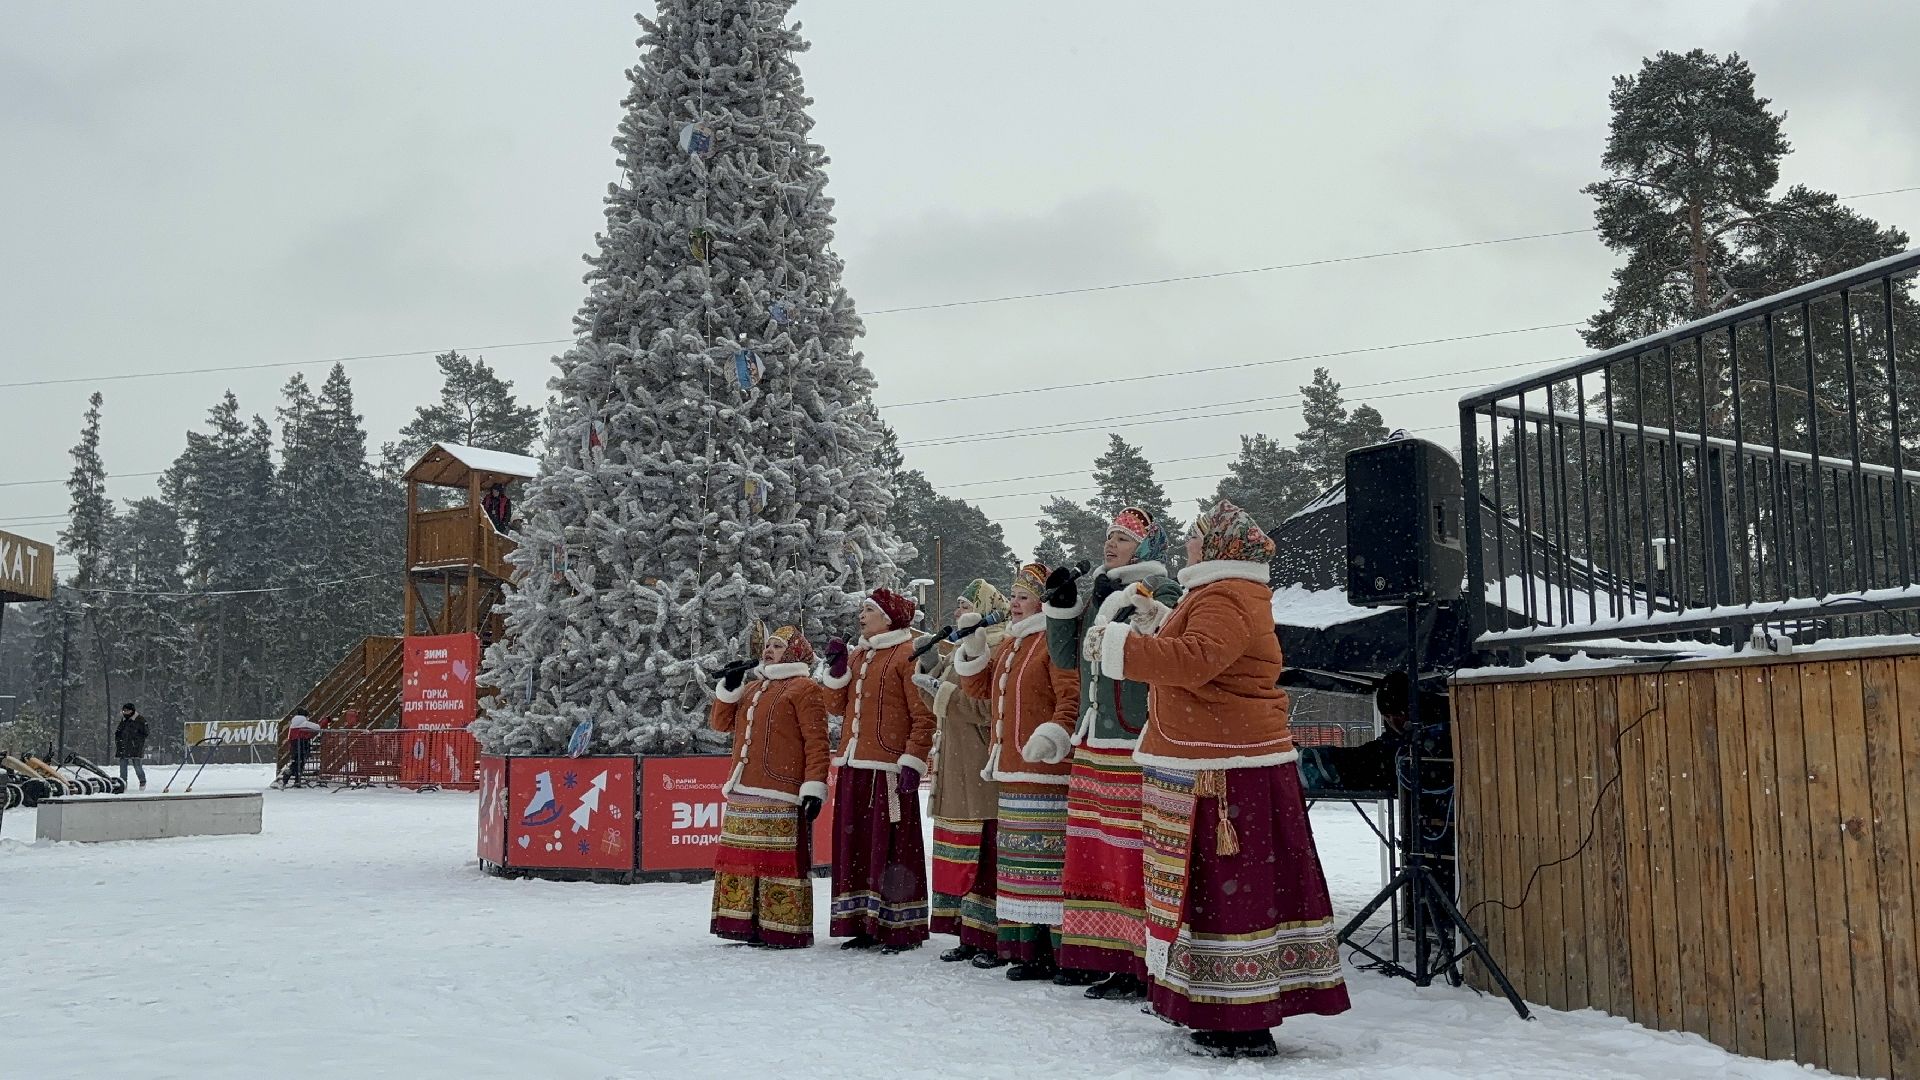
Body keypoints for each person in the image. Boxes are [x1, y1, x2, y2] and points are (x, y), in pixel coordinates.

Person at [1089, 500, 1350, 1059]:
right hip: (1217, 760)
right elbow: (1207, 655)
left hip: (1226, 768)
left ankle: (1245, 1016)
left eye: (1194, 537)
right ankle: (1219, 1008)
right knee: (1212, 894)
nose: (1186, 545)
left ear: (1218, 546)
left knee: (1234, 895)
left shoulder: (1226, 595)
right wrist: (1157, 624)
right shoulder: (1219, 593)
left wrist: (1121, 647)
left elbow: (1197, 660)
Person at [1041, 506, 1182, 999]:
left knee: (1131, 854)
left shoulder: (1161, 591)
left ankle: (1143, 961)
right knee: (1097, 852)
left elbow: (1159, 641)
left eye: (1121, 538)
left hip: (1131, 736)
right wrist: (1061, 608)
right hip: (1093, 737)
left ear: (1144, 548)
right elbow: (1066, 658)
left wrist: (1119, 608)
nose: (1110, 545)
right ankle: (1105, 954)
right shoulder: (1100, 593)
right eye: (1108, 537)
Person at [955, 563, 1081, 981]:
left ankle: (1060, 952)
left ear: (1042, 602)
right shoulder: (1012, 645)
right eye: (1012, 596)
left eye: (1023, 596)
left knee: (1048, 867)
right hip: (1011, 769)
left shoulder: (1052, 641)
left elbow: (1071, 696)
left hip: (1046, 768)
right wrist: (974, 649)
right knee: (1020, 868)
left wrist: (1056, 735)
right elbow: (981, 693)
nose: (1013, 603)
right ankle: (1027, 950)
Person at [817, 588, 936, 952]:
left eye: (868, 609)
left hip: (887, 767)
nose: (861, 615)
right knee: (857, 846)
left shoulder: (906, 654)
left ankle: (900, 925)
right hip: (854, 763)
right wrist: (836, 671)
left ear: (888, 617)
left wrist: (913, 759)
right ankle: (862, 922)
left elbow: (923, 715)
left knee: (891, 848)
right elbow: (836, 707)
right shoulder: (859, 655)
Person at [708, 624, 830, 949]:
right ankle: (743, 924)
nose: (769, 650)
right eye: (769, 645)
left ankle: (781, 927)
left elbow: (816, 742)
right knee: (743, 862)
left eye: (777, 646)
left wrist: (814, 785)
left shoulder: (805, 688)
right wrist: (730, 686)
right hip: (744, 788)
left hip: (782, 791)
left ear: (792, 652)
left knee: (776, 862)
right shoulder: (752, 688)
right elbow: (720, 724)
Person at [913, 579, 1010, 966]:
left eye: (965, 604)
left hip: (980, 771)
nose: (957, 611)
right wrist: (928, 668)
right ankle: (969, 933)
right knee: (962, 860)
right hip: (956, 767)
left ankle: (992, 935)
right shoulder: (960, 653)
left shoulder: (996, 648)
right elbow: (943, 705)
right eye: (956, 605)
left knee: (984, 860)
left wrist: (944, 693)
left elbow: (987, 711)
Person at [113, 703, 148, 791]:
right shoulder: (124, 720)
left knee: (137, 766)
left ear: (132, 711)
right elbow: (119, 732)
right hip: (123, 747)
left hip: (135, 748)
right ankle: (123, 784)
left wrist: (136, 741)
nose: (125, 712)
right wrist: (119, 740)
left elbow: (145, 733)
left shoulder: (140, 720)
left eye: (127, 710)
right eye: (124, 711)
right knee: (123, 768)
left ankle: (142, 781)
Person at [285, 710, 323, 786]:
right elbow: (317, 727)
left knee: (295, 762)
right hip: (303, 744)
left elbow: (290, 736)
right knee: (301, 763)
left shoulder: (292, 724)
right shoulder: (304, 723)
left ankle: (287, 778)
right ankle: (296, 779)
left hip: (294, 745)